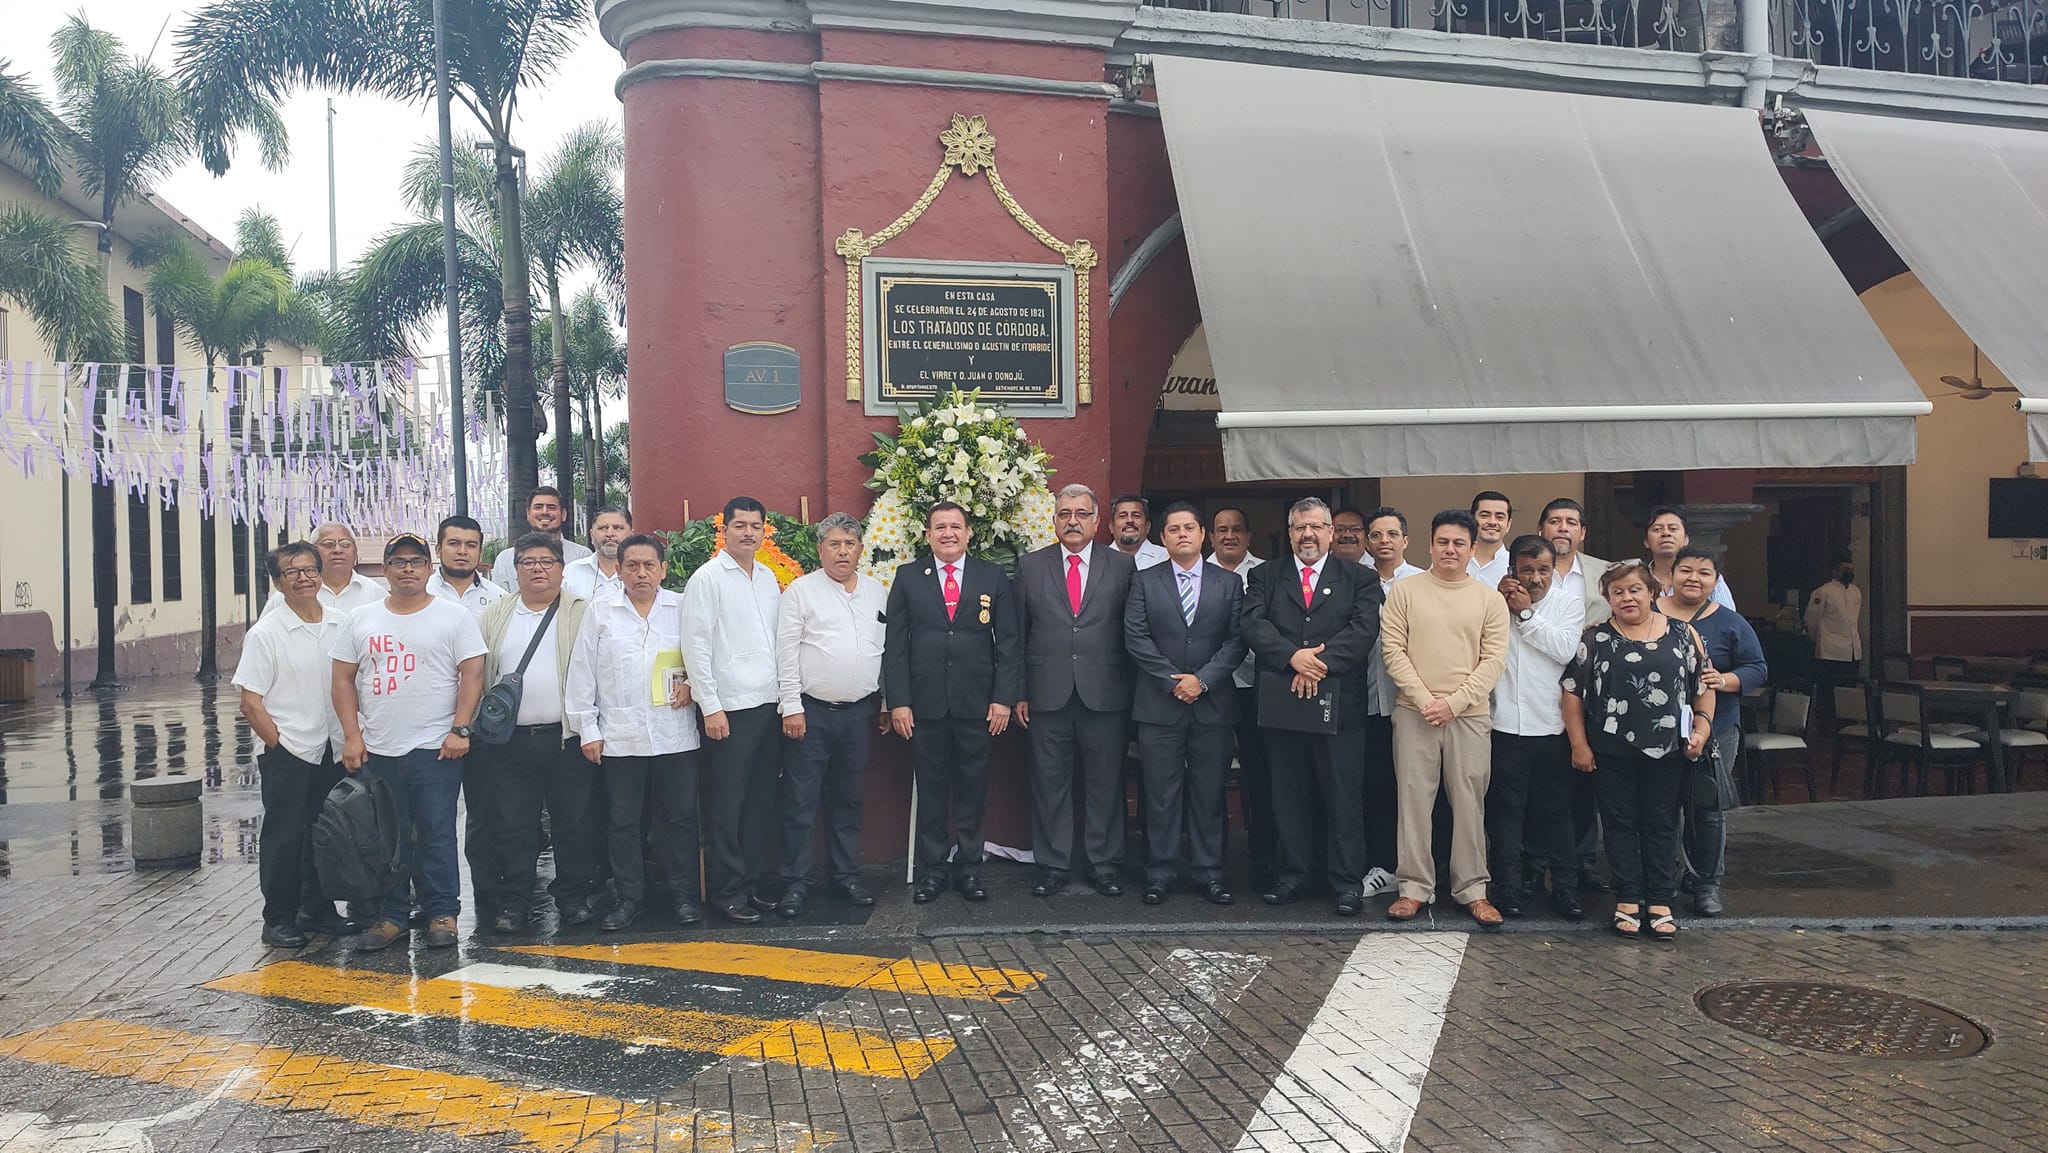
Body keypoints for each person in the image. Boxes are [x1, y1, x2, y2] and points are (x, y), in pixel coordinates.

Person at [330, 533, 487, 952]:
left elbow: (472, 674)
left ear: (429, 568)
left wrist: (460, 728)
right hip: (379, 747)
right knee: (387, 837)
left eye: (416, 561)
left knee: (436, 832)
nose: (408, 569)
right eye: (398, 562)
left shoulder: (453, 617)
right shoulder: (361, 619)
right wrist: (352, 735)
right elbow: (343, 679)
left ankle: (442, 913)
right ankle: (391, 916)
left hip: (435, 747)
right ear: (384, 570)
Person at [1241, 497, 1382, 916]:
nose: (1308, 535)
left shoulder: (1359, 578)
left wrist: (1315, 664)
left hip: (1339, 703)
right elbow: (1253, 623)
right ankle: (1294, 875)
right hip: (1283, 701)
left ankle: (1345, 881)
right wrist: (1291, 657)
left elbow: (1363, 630)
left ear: (1331, 532)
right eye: (1300, 528)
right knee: (1288, 792)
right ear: (1289, 533)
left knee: (1342, 794)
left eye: (1317, 527)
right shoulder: (1265, 575)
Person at [1561, 562, 1714, 942]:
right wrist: (1579, 744)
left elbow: (1704, 684)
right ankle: (1628, 898)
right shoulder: (1594, 639)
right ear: (1608, 599)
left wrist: (1702, 729)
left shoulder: (1683, 634)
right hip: (1612, 750)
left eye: (1634, 590)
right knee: (1619, 825)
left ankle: (1660, 901)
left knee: (1662, 824)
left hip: (1670, 751)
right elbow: (1571, 693)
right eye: (1617, 592)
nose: (1627, 598)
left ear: (1652, 592)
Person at [883, 501, 1022, 904]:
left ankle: (969, 870)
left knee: (972, 791)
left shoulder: (991, 575)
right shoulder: (908, 577)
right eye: (940, 527)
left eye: (956, 526)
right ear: (927, 535)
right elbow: (895, 647)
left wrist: (1002, 699)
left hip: (976, 706)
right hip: (925, 707)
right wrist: (899, 702)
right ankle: (934, 872)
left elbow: (1009, 642)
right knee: (930, 790)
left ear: (968, 533)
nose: (948, 533)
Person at [567, 533, 704, 931]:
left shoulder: (681, 608)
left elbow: (704, 653)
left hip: (674, 733)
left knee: (680, 817)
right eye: (632, 566)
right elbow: (582, 672)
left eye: (649, 565)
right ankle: (629, 897)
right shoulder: (601, 611)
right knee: (623, 822)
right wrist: (587, 729)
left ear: (663, 569)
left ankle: (683, 895)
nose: (641, 573)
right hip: (620, 735)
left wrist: (695, 684)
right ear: (620, 570)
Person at [1382, 510, 1511, 928]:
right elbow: (1393, 651)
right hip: (1414, 712)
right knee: (1414, 800)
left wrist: (1454, 703)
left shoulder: (1489, 599)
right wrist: (1425, 700)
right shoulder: (1405, 592)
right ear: (1430, 544)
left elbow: (1493, 661)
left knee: (1470, 803)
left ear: (1472, 549)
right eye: (1442, 542)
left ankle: (1473, 889)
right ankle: (1414, 888)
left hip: (1469, 715)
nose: (1449, 549)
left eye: (1458, 543)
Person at [1016, 483, 1137, 898]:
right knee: (1049, 784)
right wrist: (1018, 692)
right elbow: (1017, 634)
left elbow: (1131, 632)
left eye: (1081, 514)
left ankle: (1104, 865)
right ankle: (1053, 864)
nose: (1072, 521)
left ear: (1097, 520)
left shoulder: (1120, 567)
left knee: (1105, 783)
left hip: (1105, 693)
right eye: (1064, 514)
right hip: (1045, 694)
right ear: (1053, 520)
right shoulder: (1030, 567)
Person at [1124, 502, 1245, 906]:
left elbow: (1236, 641)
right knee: (1160, 793)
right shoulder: (1143, 581)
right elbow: (1135, 638)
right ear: (1163, 538)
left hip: (1212, 706)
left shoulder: (1228, 583)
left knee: (1209, 793)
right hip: (1159, 705)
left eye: (1189, 527)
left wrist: (1203, 681)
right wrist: (1172, 681)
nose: (1182, 534)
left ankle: (1210, 873)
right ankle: (1159, 872)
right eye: (1173, 529)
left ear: (1203, 535)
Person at [234, 541, 352, 948]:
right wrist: (279, 746)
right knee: (284, 837)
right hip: (291, 751)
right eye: (292, 572)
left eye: (309, 570)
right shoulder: (266, 633)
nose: (303, 578)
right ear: (278, 583)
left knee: (327, 832)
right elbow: (250, 702)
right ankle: (278, 917)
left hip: (334, 747)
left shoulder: (342, 623)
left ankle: (319, 908)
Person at [477, 533, 596, 934]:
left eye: (547, 562)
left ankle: (574, 898)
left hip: (567, 739)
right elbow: (479, 675)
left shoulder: (583, 612)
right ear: (517, 569)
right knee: (514, 825)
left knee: (575, 823)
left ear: (562, 569)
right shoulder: (496, 614)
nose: (538, 569)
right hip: (510, 743)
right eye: (529, 562)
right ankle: (515, 903)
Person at [772, 513, 887, 916]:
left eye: (849, 544)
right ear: (820, 549)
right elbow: (785, 653)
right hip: (811, 713)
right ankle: (795, 884)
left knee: (848, 800)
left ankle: (846, 876)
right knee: (801, 802)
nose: (842, 551)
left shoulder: (876, 592)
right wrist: (791, 707)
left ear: (860, 549)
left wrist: (886, 704)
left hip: (859, 715)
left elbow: (884, 652)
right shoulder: (801, 592)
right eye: (834, 544)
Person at [682, 496, 785, 924]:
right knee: (726, 804)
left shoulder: (767, 578)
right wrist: (710, 706)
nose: (748, 532)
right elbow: (696, 645)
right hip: (728, 711)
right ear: (724, 529)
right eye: (739, 525)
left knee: (760, 801)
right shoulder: (707, 579)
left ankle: (752, 884)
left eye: (755, 526)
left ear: (765, 531)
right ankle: (726, 891)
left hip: (767, 707)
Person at [1484, 535, 1585, 921]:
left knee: (1556, 815)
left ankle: (1564, 890)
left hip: (1553, 728)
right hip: (1504, 727)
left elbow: (1564, 650)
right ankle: (1509, 890)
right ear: (1513, 571)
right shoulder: (1494, 605)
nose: (1536, 578)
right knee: (1506, 816)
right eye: (1527, 570)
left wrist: (1526, 614)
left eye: (1543, 569)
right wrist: (1502, 606)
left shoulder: (1567, 604)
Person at [1667, 546, 1768, 918]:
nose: (1694, 578)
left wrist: (1724, 680)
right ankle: (1667, 877)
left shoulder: (1730, 622)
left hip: (1717, 727)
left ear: (1715, 580)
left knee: (1706, 807)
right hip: (1657, 730)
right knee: (1663, 807)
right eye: (1686, 570)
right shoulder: (1650, 614)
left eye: (1704, 572)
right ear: (1672, 575)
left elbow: (1757, 668)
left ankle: (1707, 883)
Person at [1540, 496, 1610, 893]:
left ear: (1583, 532)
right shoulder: (1527, 572)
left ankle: (1584, 863)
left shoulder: (1608, 573)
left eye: (1570, 522)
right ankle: (1537, 863)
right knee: (1543, 785)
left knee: (1585, 784)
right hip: (1536, 690)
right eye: (1554, 521)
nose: (1562, 527)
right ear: (1541, 530)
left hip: (1591, 696)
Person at [1208, 506, 1275, 887]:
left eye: (1237, 529)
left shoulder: (1266, 573)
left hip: (1255, 688)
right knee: (1208, 776)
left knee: (1259, 775)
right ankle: (1211, 861)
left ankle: (1263, 858)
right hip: (1209, 690)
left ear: (1248, 536)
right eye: (1222, 530)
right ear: (1211, 537)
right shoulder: (1195, 574)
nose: (1229, 535)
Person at [1362, 507, 1424, 886]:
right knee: (1377, 787)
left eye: (1391, 534)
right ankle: (1382, 865)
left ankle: (1422, 868)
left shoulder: (1422, 582)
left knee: (1418, 789)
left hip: (1415, 703)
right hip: (1368, 701)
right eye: (1376, 535)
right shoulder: (1355, 581)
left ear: (1405, 540)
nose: (1384, 541)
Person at [265, 522, 384, 616]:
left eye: (345, 544)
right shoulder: (288, 594)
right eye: (328, 544)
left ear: (355, 551)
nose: (338, 550)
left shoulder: (375, 593)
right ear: (313, 551)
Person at [490, 487, 593, 587]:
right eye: (538, 507)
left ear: (563, 515)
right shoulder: (505, 559)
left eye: (551, 507)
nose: (544, 512)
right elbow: (501, 601)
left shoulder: (582, 556)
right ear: (528, 514)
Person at [1645, 507, 1735, 611]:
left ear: (1686, 539)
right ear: (1646, 541)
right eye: (1657, 529)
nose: (1666, 533)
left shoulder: (1710, 578)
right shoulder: (1639, 578)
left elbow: (1728, 621)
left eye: (1673, 528)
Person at [426, 515, 509, 616]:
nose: (462, 551)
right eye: (454, 543)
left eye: (471, 545)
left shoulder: (499, 599)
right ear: (438, 550)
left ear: (480, 552)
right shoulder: (423, 592)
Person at [1805, 553, 1863, 688]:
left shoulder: (1856, 592)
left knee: (1848, 690)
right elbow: (1812, 620)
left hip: (1852, 651)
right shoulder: (1823, 592)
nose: (1849, 573)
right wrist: (1816, 639)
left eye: (1851, 570)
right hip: (1830, 651)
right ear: (1835, 572)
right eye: (1845, 570)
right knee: (1829, 692)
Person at [565, 508, 632, 602]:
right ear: (592, 535)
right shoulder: (571, 572)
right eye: (603, 528)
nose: (610, 534)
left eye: (617, 528)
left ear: (631, 534)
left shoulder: (641, 573)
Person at [1109, 494, 1170, 570]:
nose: (1130, 520)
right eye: (1122, 516)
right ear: (1111, 527)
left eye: (1136, 516)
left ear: (1148, 526)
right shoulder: (1099, 561)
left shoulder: (1166, 558)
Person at [1467, 492, 1514, 586]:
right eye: (1484, 515)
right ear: (1472, 520)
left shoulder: (1514, 565)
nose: (1492, 522)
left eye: (1499, 517)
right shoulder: (1454, 558)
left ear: (1508, 524)